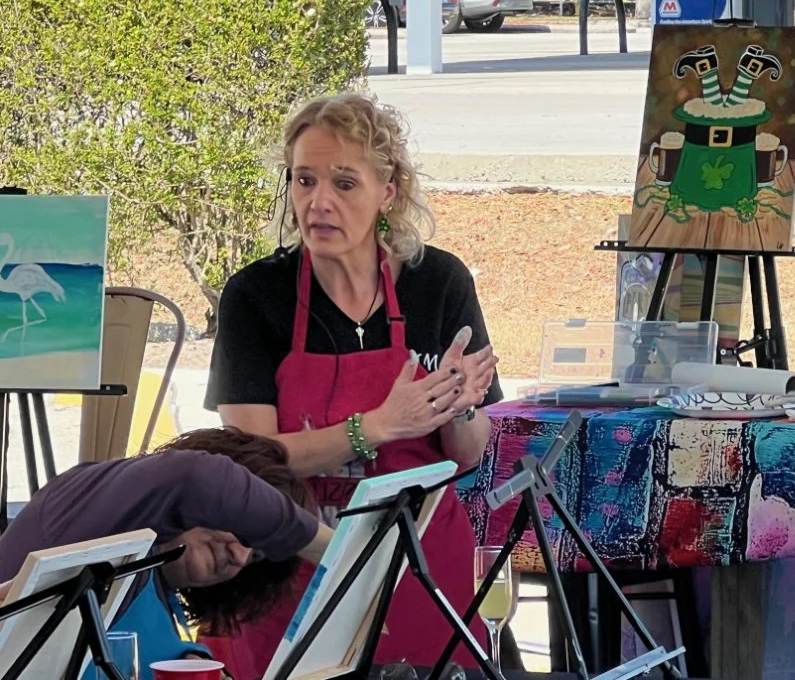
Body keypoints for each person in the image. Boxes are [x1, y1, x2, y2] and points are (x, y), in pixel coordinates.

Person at [204, 93, 502, 678]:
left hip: (416, 559)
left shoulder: (437, 282)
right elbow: (250, 459)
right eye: (304, 180)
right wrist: (374, 429)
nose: (318, 203)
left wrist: (462, 408)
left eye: (344, 183)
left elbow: (466, 456)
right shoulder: (255, 295)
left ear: (387, 191)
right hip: (287, 562)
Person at [0, 428, 331, 680]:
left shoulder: (159, 584)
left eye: (256, 556)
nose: (241, 555)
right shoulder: (90, 509)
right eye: (245, 526)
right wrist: (335, 550)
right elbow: (196, 478)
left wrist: (191, 659)